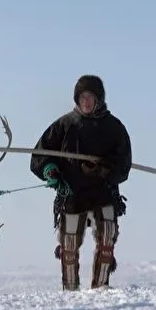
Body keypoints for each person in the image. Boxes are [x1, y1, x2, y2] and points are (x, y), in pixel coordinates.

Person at [30, 74, 132, 291]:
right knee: (68, 245)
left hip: (104, 192)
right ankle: (70, 292)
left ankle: (101, 288)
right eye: (82, 96)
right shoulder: (64, 125)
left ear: (99, 99)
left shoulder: (114, 128)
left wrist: (105, 169)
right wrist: (51, 171)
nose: (86, 101)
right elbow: (40, 156)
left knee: (107, 237)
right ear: (77, 99)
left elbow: (124, 164)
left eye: (90, 96)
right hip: (72, 193)